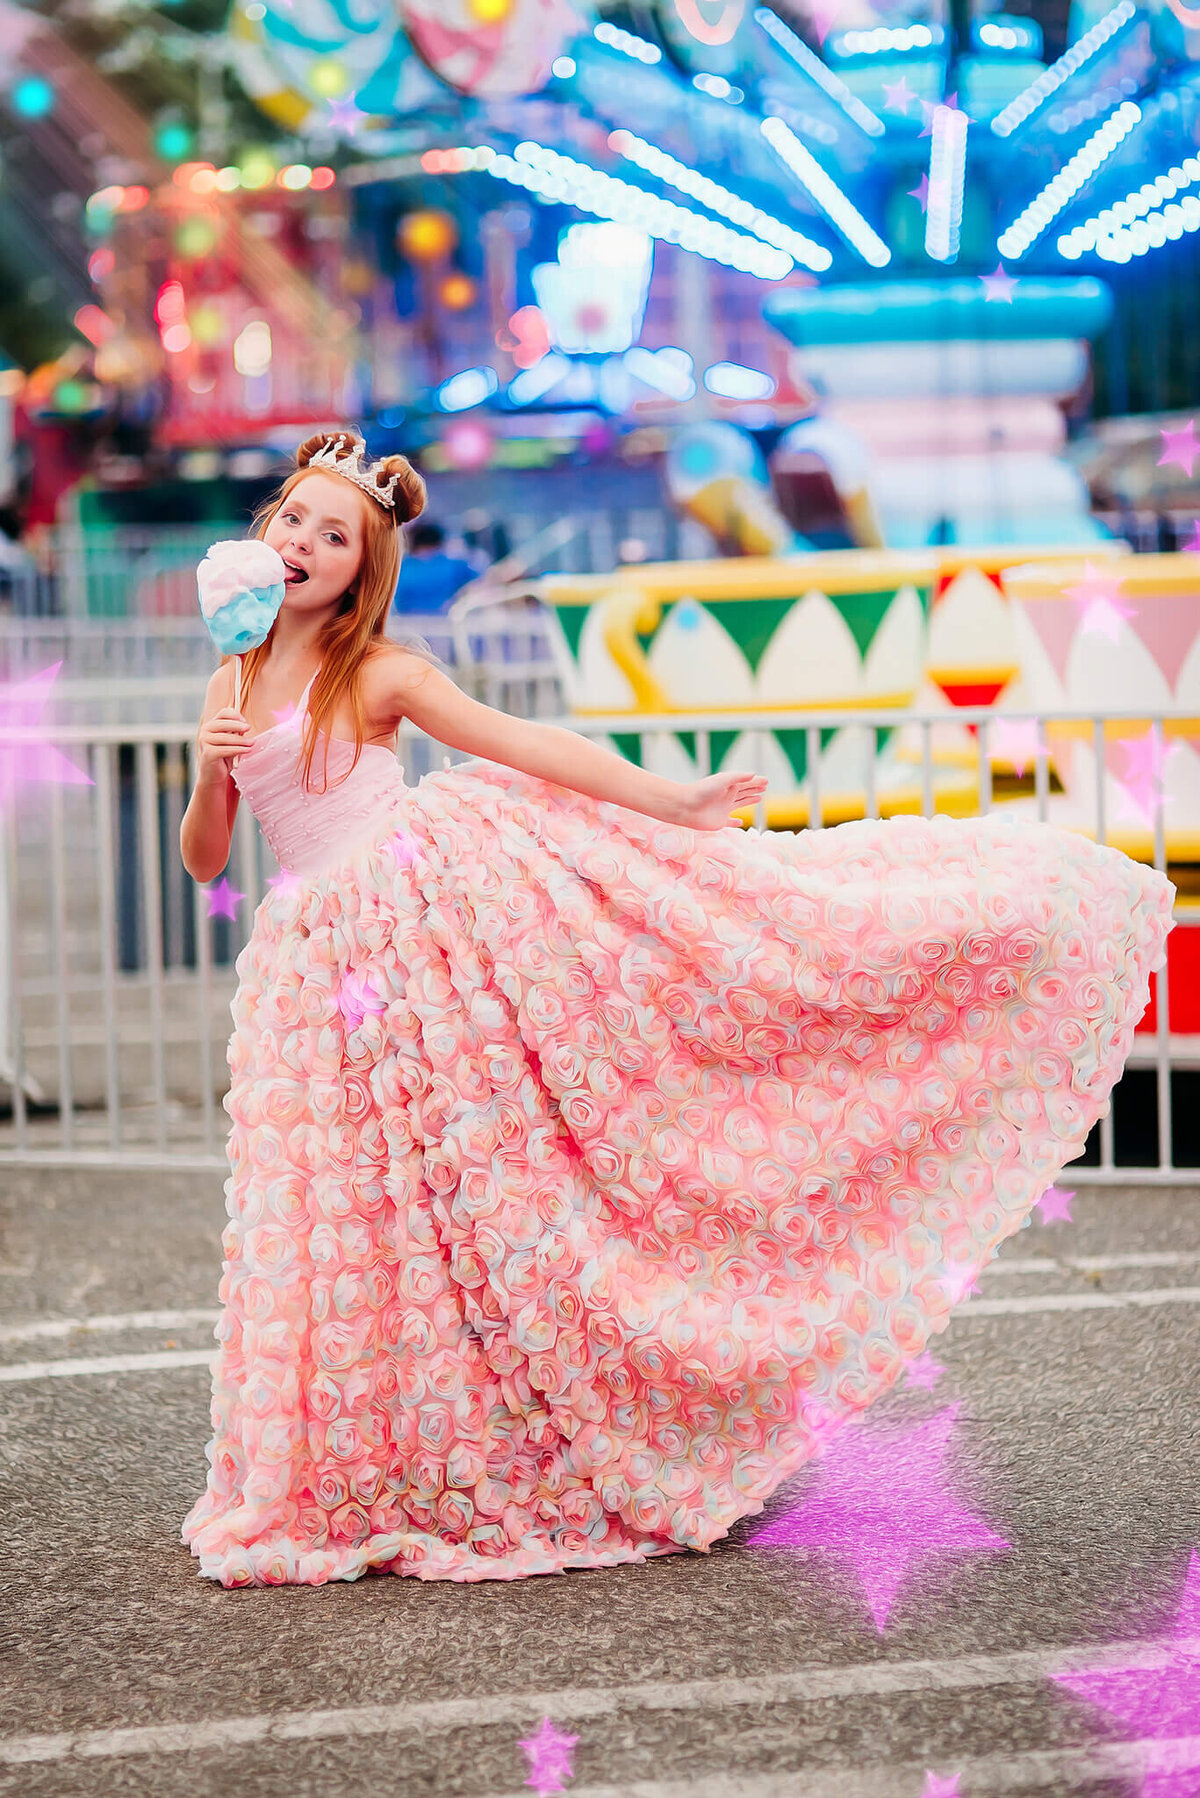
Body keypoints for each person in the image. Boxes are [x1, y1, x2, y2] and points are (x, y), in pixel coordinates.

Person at [178, 429, 1175, 1590]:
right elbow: (206, 860)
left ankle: (538, 1429)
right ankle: (375, 1449)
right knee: (358, 1211)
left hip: (418, 932)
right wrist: (210, 767)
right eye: (292, 519)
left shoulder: (382, 673)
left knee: (477, 1197)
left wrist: (674, 799)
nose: (302, 541)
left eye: (332, 533)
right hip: (316, 960)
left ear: (363, 568)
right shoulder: (229, 678)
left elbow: (530, 744)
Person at [391, 519, 479, 615]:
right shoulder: (454, 565)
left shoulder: (401, 568)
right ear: (440, 542)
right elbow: (478, 582)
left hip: (406, 622)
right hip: (445, 620)